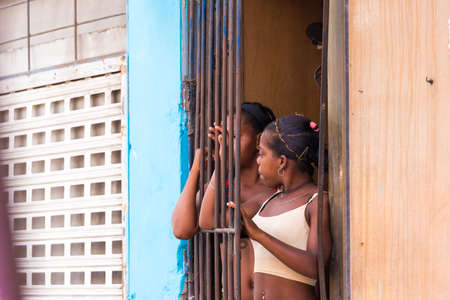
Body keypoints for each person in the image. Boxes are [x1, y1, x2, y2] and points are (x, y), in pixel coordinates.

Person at [172, 102, 275, 300]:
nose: (226, 143)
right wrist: (197, 168)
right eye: (223, 137)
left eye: (234, 137)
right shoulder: (222, 186)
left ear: (258, 140)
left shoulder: (274, 189)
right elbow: (181, 229)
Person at [229, 114, 331, 300]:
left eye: (261, 154)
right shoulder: (266, 200)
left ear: (282, 162)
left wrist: (259, 235)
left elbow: (316, 266)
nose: (257, 161)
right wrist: (222, 161)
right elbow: (208, 219)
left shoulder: (316, 201)